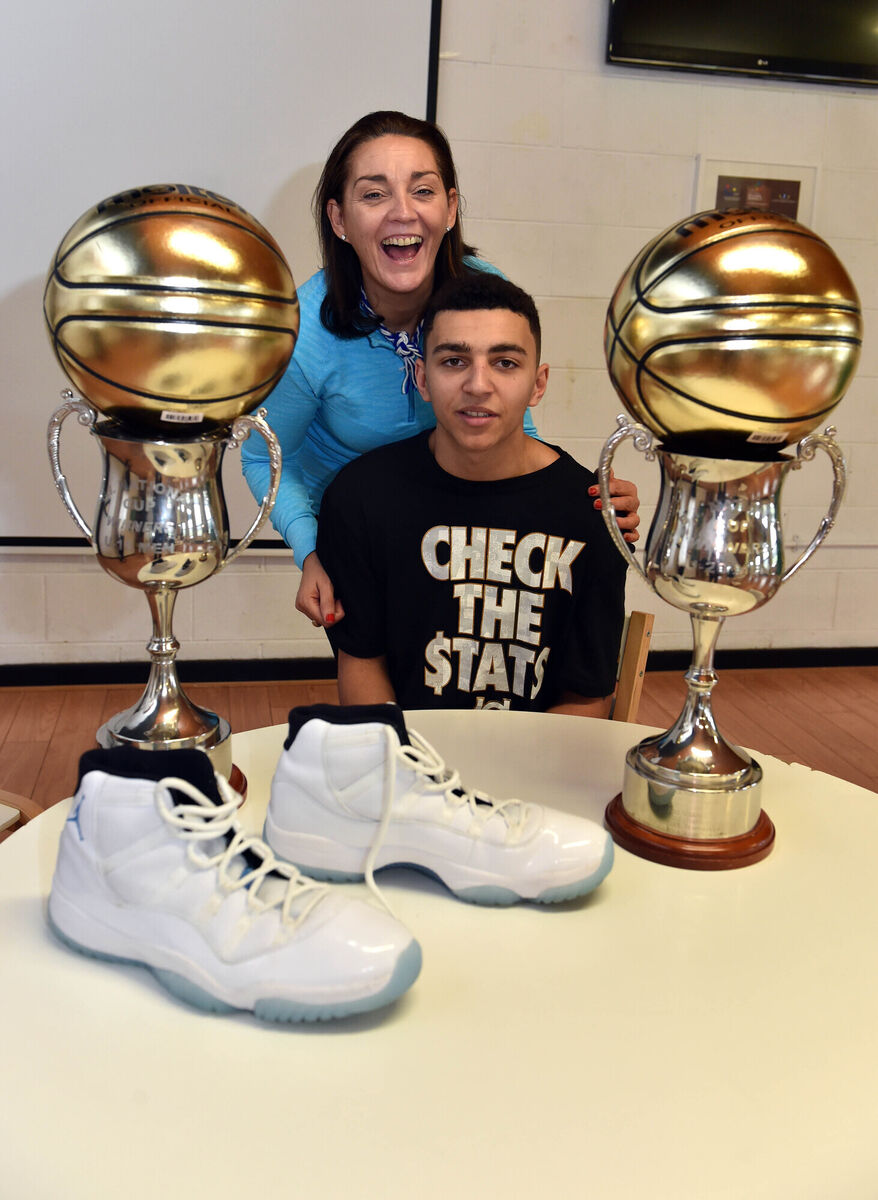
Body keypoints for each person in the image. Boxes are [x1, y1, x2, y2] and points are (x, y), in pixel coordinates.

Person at [241, 111, 640, 629]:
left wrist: (582, 499)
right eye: (374, 194)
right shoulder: (305, 335)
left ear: (450, 208)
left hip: (456, 526)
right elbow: (264, 457)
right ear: (339, 220)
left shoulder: (483, 294)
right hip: (358, 539)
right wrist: (311, 550)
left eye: (423, 191)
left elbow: (511, 426)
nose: (402, 212)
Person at [316, 273, 627, 717]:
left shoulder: (593, 511)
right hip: (408, 753)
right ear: (422, 378)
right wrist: (402, 759)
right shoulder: (360, 498)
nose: (478, 385)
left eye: (505, 363)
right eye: (454, 361)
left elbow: (587, 694)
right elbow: (363, 662)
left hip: (542, 756)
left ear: (538, 384)